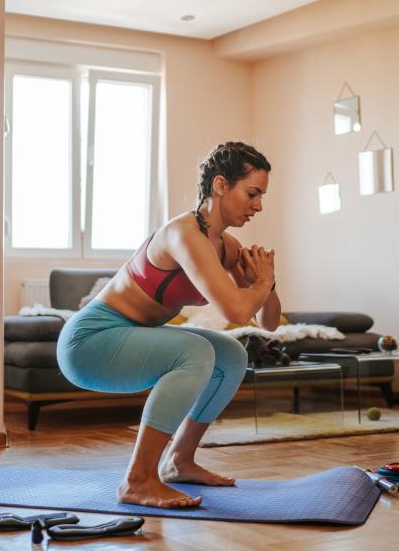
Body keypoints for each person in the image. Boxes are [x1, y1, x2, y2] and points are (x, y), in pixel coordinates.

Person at [57, 141, 281, 509]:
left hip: (133, 335)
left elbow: (266, 322)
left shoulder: (225, 247)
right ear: (221, 185)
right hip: (89, 342)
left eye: (261, 197)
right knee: (196, 351)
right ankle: (138, 479)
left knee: (231, 354)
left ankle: (179, 460)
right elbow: (237, 311)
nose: (258, 206)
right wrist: (261, 283)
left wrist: (266, 283)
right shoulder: (184, 234)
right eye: (252, 193)